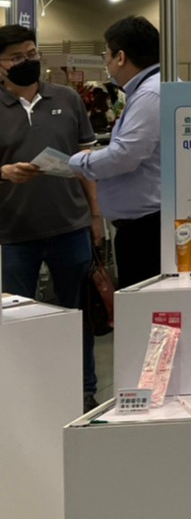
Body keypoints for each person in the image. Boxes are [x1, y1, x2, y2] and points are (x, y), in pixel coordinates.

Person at [0, 24, 103, 409]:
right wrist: (4, 172)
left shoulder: (67, 99)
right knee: (18, 319)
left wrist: (96, 216)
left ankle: (83, 390)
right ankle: (27, 397)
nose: (26, 61)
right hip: (14, 233)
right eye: (16, 57)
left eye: (31, 53)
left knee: (77, 313)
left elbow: (87, 161)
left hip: (70, 226)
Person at [70, 16, 161, 290]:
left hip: (147, 228)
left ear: (120, 57)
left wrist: (79, 161)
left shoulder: (150, 94)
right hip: (147, 224)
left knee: (144, 305)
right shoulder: (151, 88)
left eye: (106, 55)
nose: (107, 63)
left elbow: (125, 155)